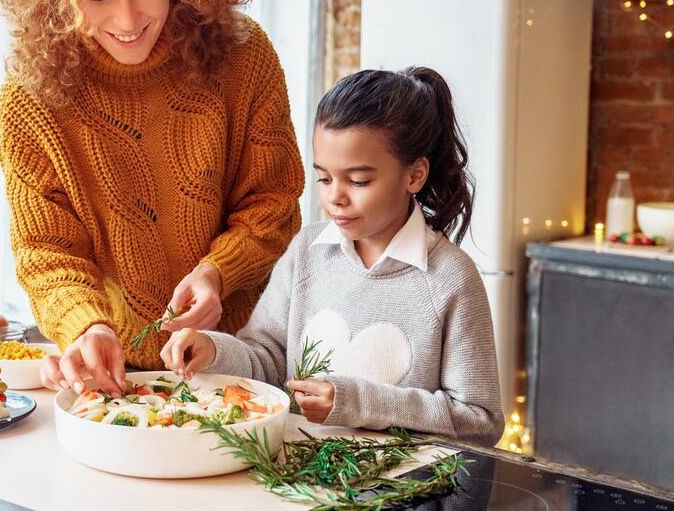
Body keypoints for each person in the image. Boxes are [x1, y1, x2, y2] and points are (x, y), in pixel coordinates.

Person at [0, 0, 304, 396]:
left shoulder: (244, 57)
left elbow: (272, 202)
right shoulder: (31, 96)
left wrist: (219, 272)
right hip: (118, 371)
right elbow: (46, 251)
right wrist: (86, 325)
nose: (126, 18)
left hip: (246, 356)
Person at [161, 67, 505, 446]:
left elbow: (480, 421)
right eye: (324, 178)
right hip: (296, 478)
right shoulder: (306, 252)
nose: (335, 197)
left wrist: (355, 402)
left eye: (358, 181)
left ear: (414, 175)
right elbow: (267, 361)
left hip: (400, 490)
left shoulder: (451, 278)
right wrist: (213, 350)